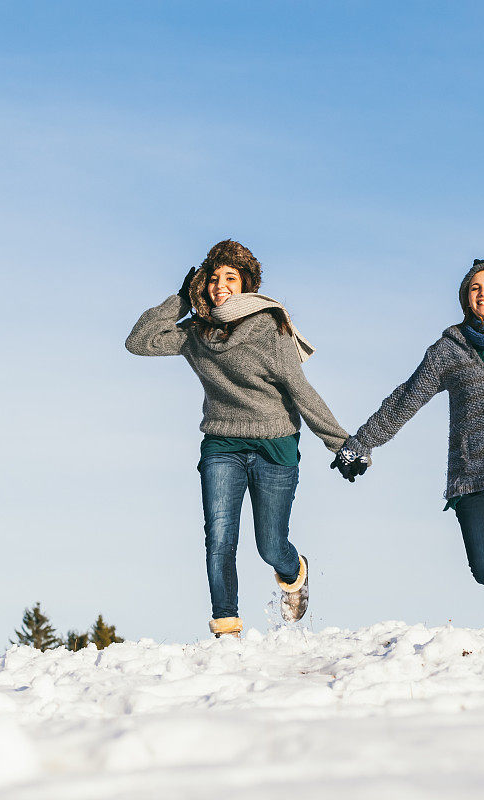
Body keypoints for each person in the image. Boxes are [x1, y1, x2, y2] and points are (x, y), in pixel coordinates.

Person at [126, 239, 351, 637]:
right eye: (212, 279)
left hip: (274, 444)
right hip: (222, 443)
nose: (220, 286)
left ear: (247, 284)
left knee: (270, 544)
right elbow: (139, 342)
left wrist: (341, 444)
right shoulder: (196, 333)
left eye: (230, 277)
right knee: (219, 535)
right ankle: (226, 628)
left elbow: (300, 389)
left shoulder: (269, 327)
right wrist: (179, 301)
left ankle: (294, 572)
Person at [332, 257, 484, 627]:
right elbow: (406, 398)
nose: (483, 292)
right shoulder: (449, 349)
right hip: (470, 475)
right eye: (475, 288)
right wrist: (361, 442)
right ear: (466, 300)